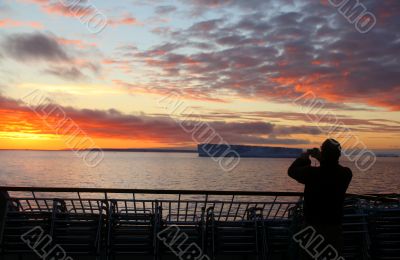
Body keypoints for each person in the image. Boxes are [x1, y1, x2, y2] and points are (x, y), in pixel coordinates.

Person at [288, 139, 352, 258]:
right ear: (339, 154)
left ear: (323, 154)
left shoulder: (311, 173)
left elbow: (292, 171)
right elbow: (330, 168)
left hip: (312, 228)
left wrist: (304, 159)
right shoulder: (346, 173)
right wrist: (321, 158)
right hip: (334, 228)